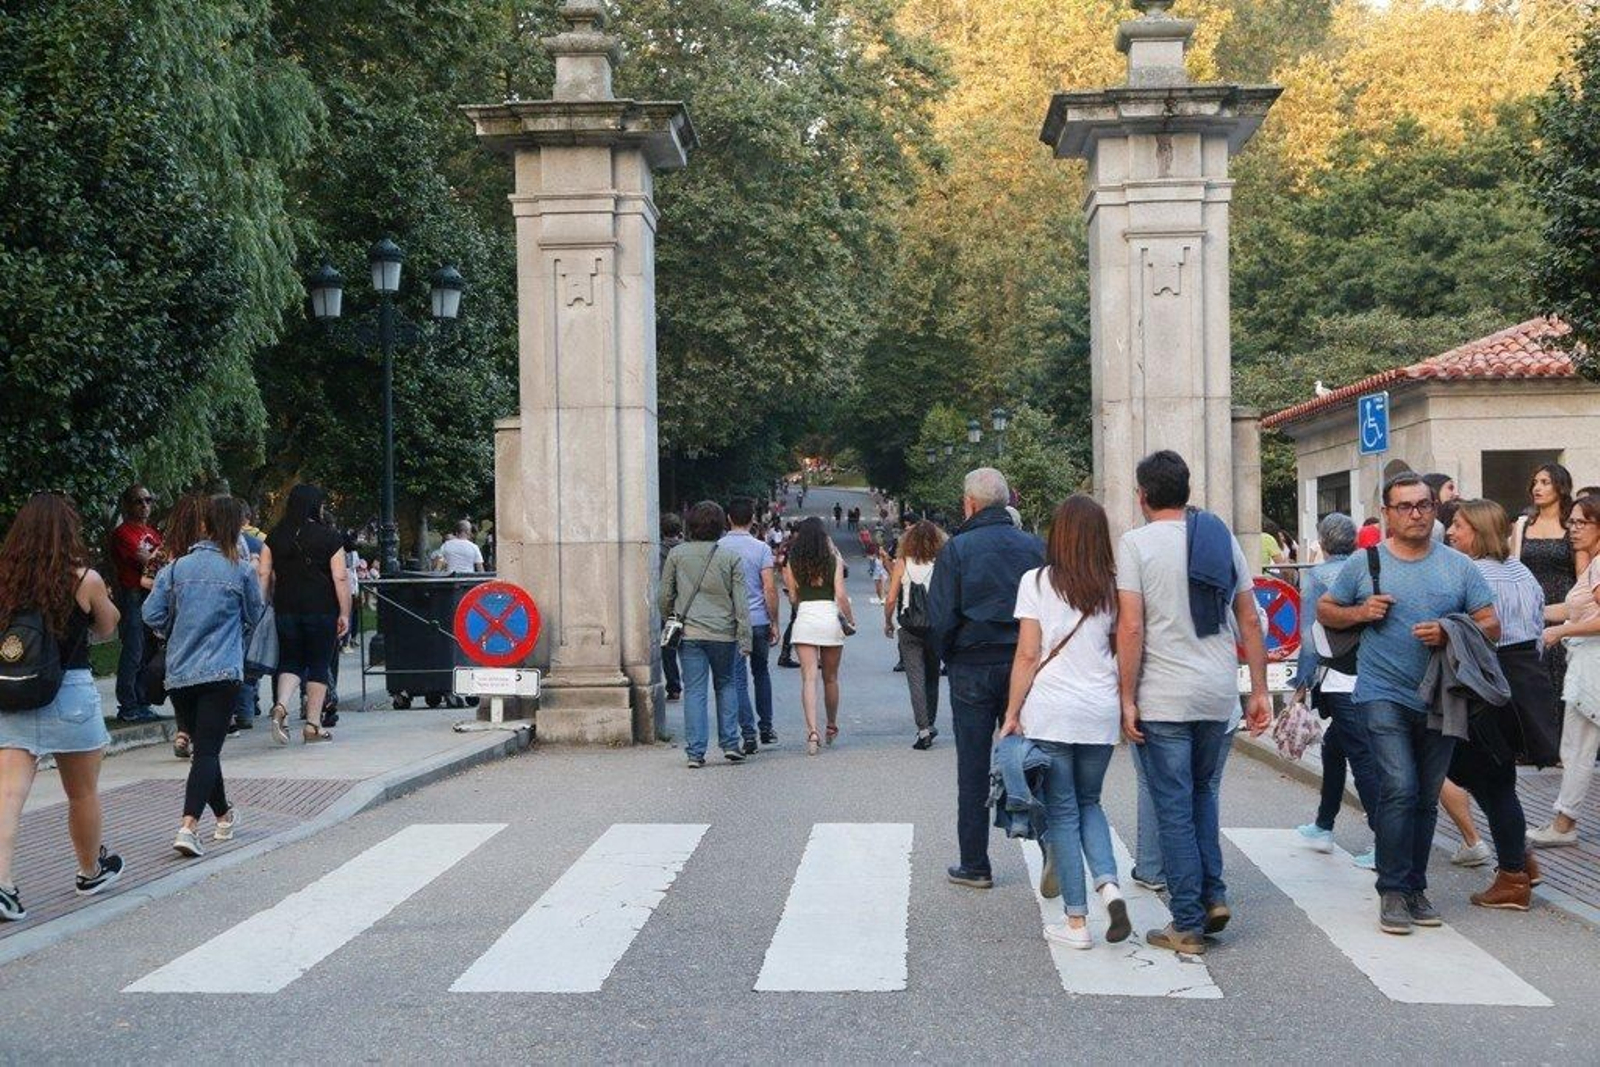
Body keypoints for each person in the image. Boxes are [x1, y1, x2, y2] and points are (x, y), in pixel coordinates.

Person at [1320, 472, 1499, 935]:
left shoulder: (1457, 565)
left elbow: (1491, 624)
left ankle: (1416, 887)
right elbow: (1327, 610)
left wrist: (1450, 630)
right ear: (1387, 513)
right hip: (1382, 692)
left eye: (1423, 505)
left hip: (1441, 697)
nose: (1417, 514)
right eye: (1405, 506)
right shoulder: (1366, 562)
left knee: (1423, 796)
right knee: (1398, 786)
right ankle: (1393, 890)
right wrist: (1361, 612)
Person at [1117, 451, 1271, 954]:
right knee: (1204, 796)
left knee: (1174, 807)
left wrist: (1125, 697)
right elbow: (1250, 620)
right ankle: (1212, 895)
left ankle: (1186, 920)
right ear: (1187, 490)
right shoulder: (1219, 538)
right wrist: (1259, 689)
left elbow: (1132, 626)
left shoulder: (1136, 544)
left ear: (1143, 495)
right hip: (1218, 691)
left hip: (1164, 696)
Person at [1000, 495, 1131, 950]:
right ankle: (1110, 887)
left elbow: (1028, 654)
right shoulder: (1115, 587)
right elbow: (1122, 648)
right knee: (1090, 802)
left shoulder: (1036, 582)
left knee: (1063, 813)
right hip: (1099, 710)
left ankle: (1077, 923)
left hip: (1051, 710)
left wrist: (1012, 713)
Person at [0, 493, 126, 922]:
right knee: (82, 793)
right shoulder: (83, 578)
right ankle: (90, 871)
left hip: (13, 691)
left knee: (8, 795)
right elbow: (109, 629)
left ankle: (2, 884)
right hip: (69, 691)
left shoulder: (5, 577)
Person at [1437, 499, 1557, 909]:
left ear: (1480, 531)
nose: (1451, 532)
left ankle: (1512, 876)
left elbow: (1464, 630)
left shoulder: (1469, 573)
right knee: (1492, 776)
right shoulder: (1521, 570)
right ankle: (1520, 860)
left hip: (1490, 681)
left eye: (1458, 525)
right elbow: (1538, 624)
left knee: (1489, 777)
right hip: (1526, 676)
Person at [928, 468, 1044, 889]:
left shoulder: (957, 549)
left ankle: (975, 862)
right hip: (1025, 663)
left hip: (972, 664)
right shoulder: (1034, 546)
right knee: (1033, 759)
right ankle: (1052, 851)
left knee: (973, 768)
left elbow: (940, 617)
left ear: (969, 504)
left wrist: (951, 656)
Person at [143, 496, 263, 858]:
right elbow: (254, 613)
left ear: (205, 524)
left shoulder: (177, 568)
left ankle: (224, 815)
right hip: (222, 669)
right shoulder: (240, 570)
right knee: (207, 752)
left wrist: (174, 631)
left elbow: (151, 613)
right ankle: (188, 825)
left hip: (181, 670)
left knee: (203, 750)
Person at [1290, 513, 1379, 870]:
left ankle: (1384, 841)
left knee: (1362, 760)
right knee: (1334, 747)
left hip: (1340, 679)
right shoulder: (1366, 570)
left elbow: (1313, 636)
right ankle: (1324, 824)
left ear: (1322, 543)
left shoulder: (1317, 577)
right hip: (1369, 672)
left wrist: (1301, 684)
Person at [1527, 493, 1600, 847]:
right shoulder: (1593, 565)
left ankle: (1564, 823)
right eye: (1571, 521)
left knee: (1577, 746)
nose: (1573, 529)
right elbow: (1574, 609)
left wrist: (1560, 631)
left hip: (1592, 666)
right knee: (1577, 744)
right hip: (1586, 661)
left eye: (1581, 522)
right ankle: (1563, 819)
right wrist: (1532, 611)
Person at [660, 501, 750, 768]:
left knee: (695, 690)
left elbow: (664, 594)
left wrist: (671, 617)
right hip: (724, 632)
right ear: (721, 525)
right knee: (727, 684)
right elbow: (740, 602)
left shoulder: (677, 555)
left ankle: (696, 751)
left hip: (690, 632)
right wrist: (745, 637)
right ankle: (731, 743)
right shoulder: (730, 557)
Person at [266, 485, 350, 745]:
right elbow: (340, 576)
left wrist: (266, 602)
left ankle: (280, 705)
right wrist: (345, 612)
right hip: (322, 608)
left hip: (286, 607)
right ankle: (313, 725)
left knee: (290, 660)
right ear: (316, 506)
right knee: (318, 664)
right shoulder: (330, 537)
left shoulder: (274, 537)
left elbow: (265, 574)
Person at [1512, 463, 1588, 704]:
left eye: (1545, 482)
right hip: (1529, 608)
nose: (1537, 487)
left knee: (1561, 678)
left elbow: (1583, 576)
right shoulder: (1522, 524)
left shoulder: (1571, 527)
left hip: (1564, 607)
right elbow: (1515, 567)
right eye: (1535, 482)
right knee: (1533, 681)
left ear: (1560, 486)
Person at [143, 493, 208, 758]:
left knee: (177, 675)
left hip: (173, 622)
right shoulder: (209, 547)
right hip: (203, 618)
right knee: (203, 674)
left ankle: (183, 730)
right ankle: (197, 729)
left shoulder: (168, 547)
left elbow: (145, 579)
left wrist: (167, 588)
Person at [784, 517, 853, 755]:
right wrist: (850, 620)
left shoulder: (792, 561)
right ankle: (831, 725)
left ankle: (812, 732)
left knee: (809, 678)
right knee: (831, 678)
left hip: (805, 618)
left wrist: (803, 601)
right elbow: (841, 595)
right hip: (829, 618)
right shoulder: (833, 559)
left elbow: (793, 597)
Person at [719, 498, 779, 752]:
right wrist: (774, 620)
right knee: (761, 672)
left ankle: (748, 732)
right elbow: (769, 587)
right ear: (752, 519)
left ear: (729, 519)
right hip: (758, 620)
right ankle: (766, 726)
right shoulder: (761, 548)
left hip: (732, 622)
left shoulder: (718, 548)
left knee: (737, 679)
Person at [885, 520, 946, 750]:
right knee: (932, 677)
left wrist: (888, 622)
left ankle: (922, 730)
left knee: (915, 679)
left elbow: (891, 598)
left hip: (909, 628)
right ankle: (930, 723)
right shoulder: (941, 563)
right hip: (935, 627)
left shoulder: (902, 563)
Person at [108, 484, 161, 723]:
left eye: (148, 500)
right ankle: (128, 704)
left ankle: (142, 700)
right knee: (134, 648)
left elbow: (162, 561)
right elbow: (150, 562)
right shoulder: (123, 533)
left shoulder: (151, 532)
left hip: (150, 595)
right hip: (132, 595)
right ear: (127, 505)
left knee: (148, 649)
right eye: (139, 501)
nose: (145, 506)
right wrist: (158, 560)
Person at [659, 512, 684, 703]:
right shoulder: (685, 550)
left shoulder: (657, 551)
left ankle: (673, 686)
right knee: (688, 648)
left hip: (667, 607)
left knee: (668, 650)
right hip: (686, 605)